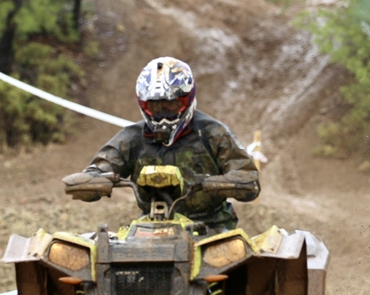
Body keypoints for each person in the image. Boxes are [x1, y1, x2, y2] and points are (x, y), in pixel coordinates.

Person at [63, 57, 259, 232]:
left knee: (237, 263)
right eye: (155, 106)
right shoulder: (133, 137)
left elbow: (248, 179)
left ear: (186, 100)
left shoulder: (212, 133)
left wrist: (218, 183)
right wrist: (92, 181)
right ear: (144, 105)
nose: (163, 114)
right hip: (150, 227)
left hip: (212, 226)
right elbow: (100, 167)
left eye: (170, 105)